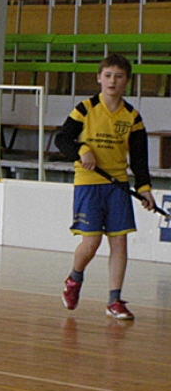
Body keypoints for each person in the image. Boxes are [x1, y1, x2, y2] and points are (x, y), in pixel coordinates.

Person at [56, 53, 154, 321]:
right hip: (89, 183)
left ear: (127, 82)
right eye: (108, 75)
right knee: (91, 243)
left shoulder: (132, 116)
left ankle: (114, 300)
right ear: (99, 78)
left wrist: (144, 187)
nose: (112, 81)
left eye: (119, 76)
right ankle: (74, 280)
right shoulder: (85, 108)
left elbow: (140, 158)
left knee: (119, 242)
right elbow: (62, 139)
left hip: (118, 185)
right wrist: (82, 149)